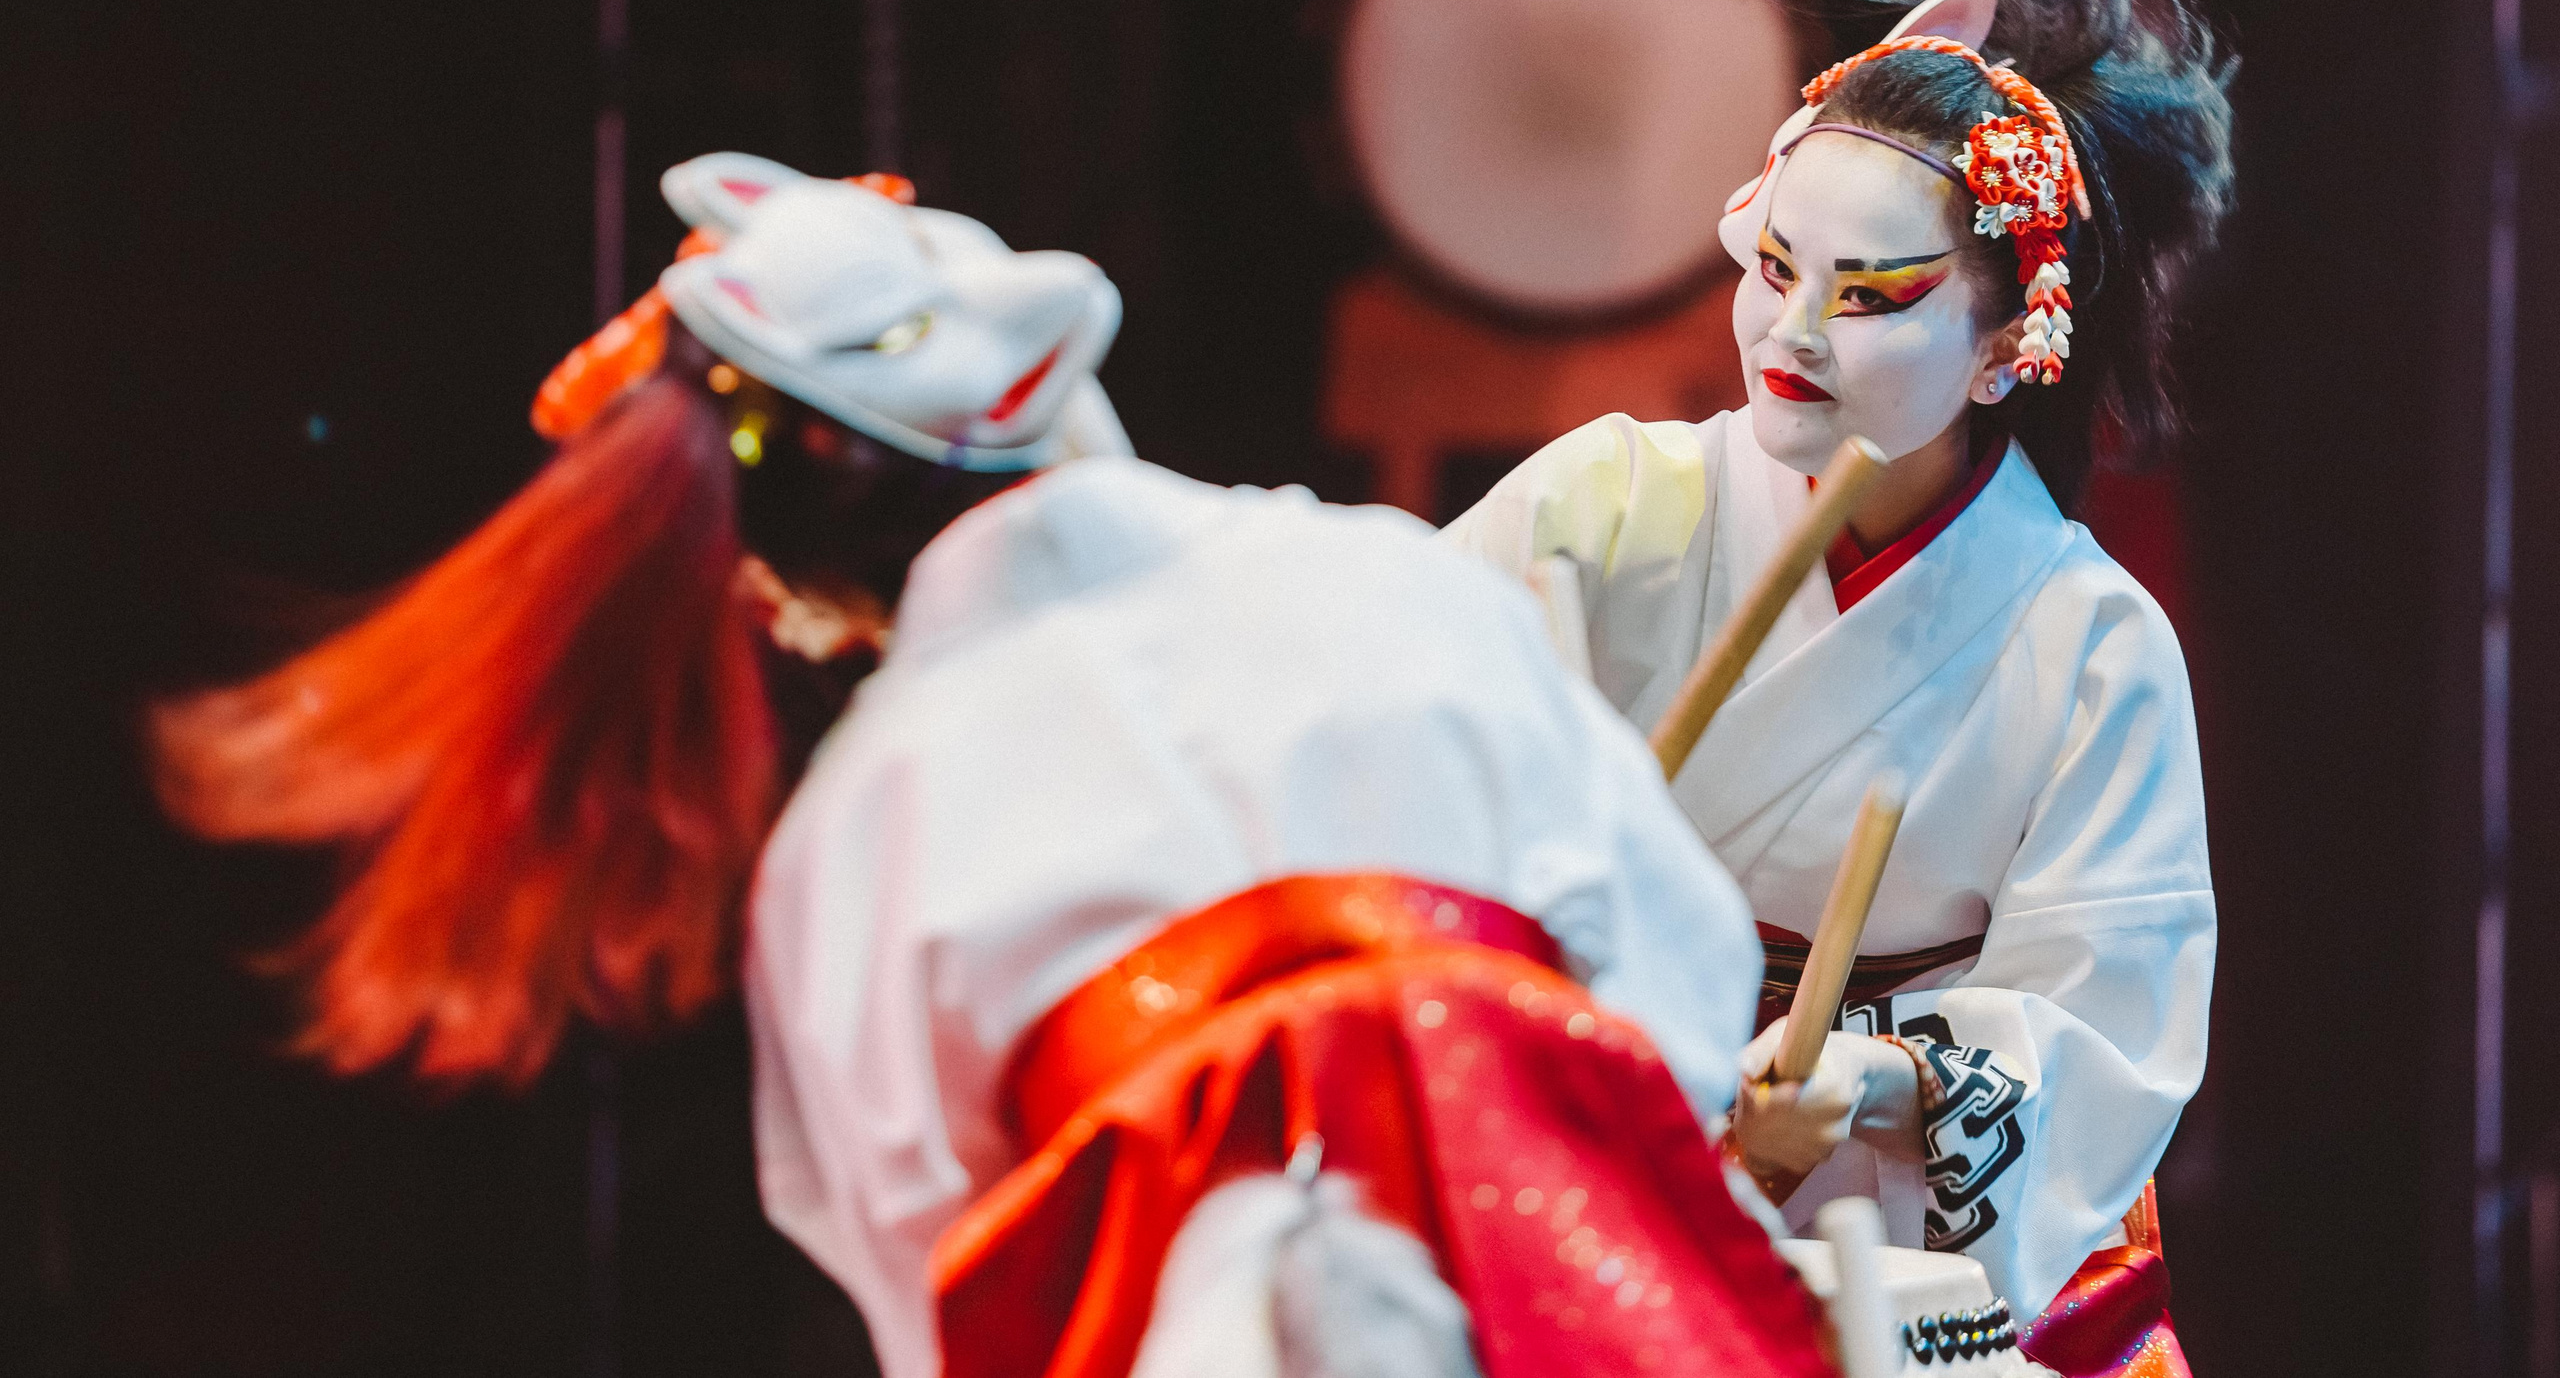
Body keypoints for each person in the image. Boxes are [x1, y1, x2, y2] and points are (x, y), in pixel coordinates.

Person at [155, 154, 1827, 1378]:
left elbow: (921, 1277)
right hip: (1579, 1304)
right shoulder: (1393, 580)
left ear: (796, 590)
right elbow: (1664, 986)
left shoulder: (865, 825)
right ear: (1044, 378)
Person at [1442, 0, 2232, 1377]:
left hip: (1926, 1221)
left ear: (2010, 344)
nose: (1791, 334)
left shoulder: (2090, 641)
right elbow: (1396, 746)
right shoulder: (1601, 507)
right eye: (1776, 268)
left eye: (1871, 297)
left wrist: (1868, 1082)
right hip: (1612, 1131)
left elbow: (2108, 1020)